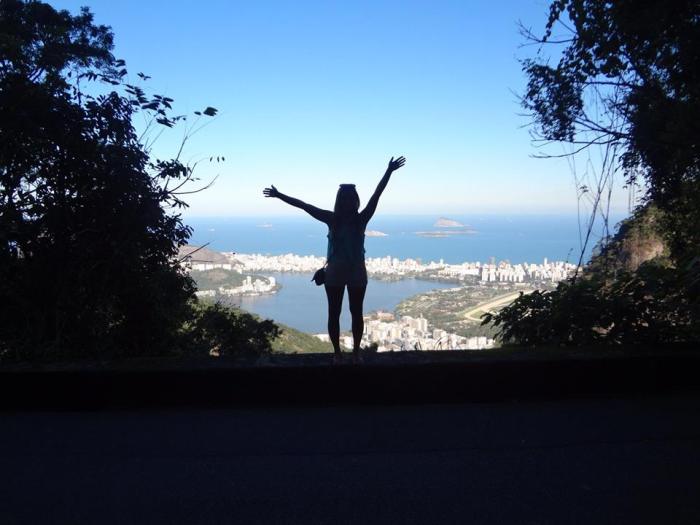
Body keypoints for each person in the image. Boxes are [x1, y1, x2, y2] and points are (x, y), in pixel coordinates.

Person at [263, 156, 406, 364]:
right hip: (354, 270)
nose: (349, 201)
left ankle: (340, 354)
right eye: (348, 198)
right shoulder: (359, 219)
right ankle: (352, 354)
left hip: (339, 271)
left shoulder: (334, 219)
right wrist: (389, 172)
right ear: (353, 200)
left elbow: (305, 205)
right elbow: (376, 195)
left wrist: (278, 195)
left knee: (337, 313)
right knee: (353, 313)